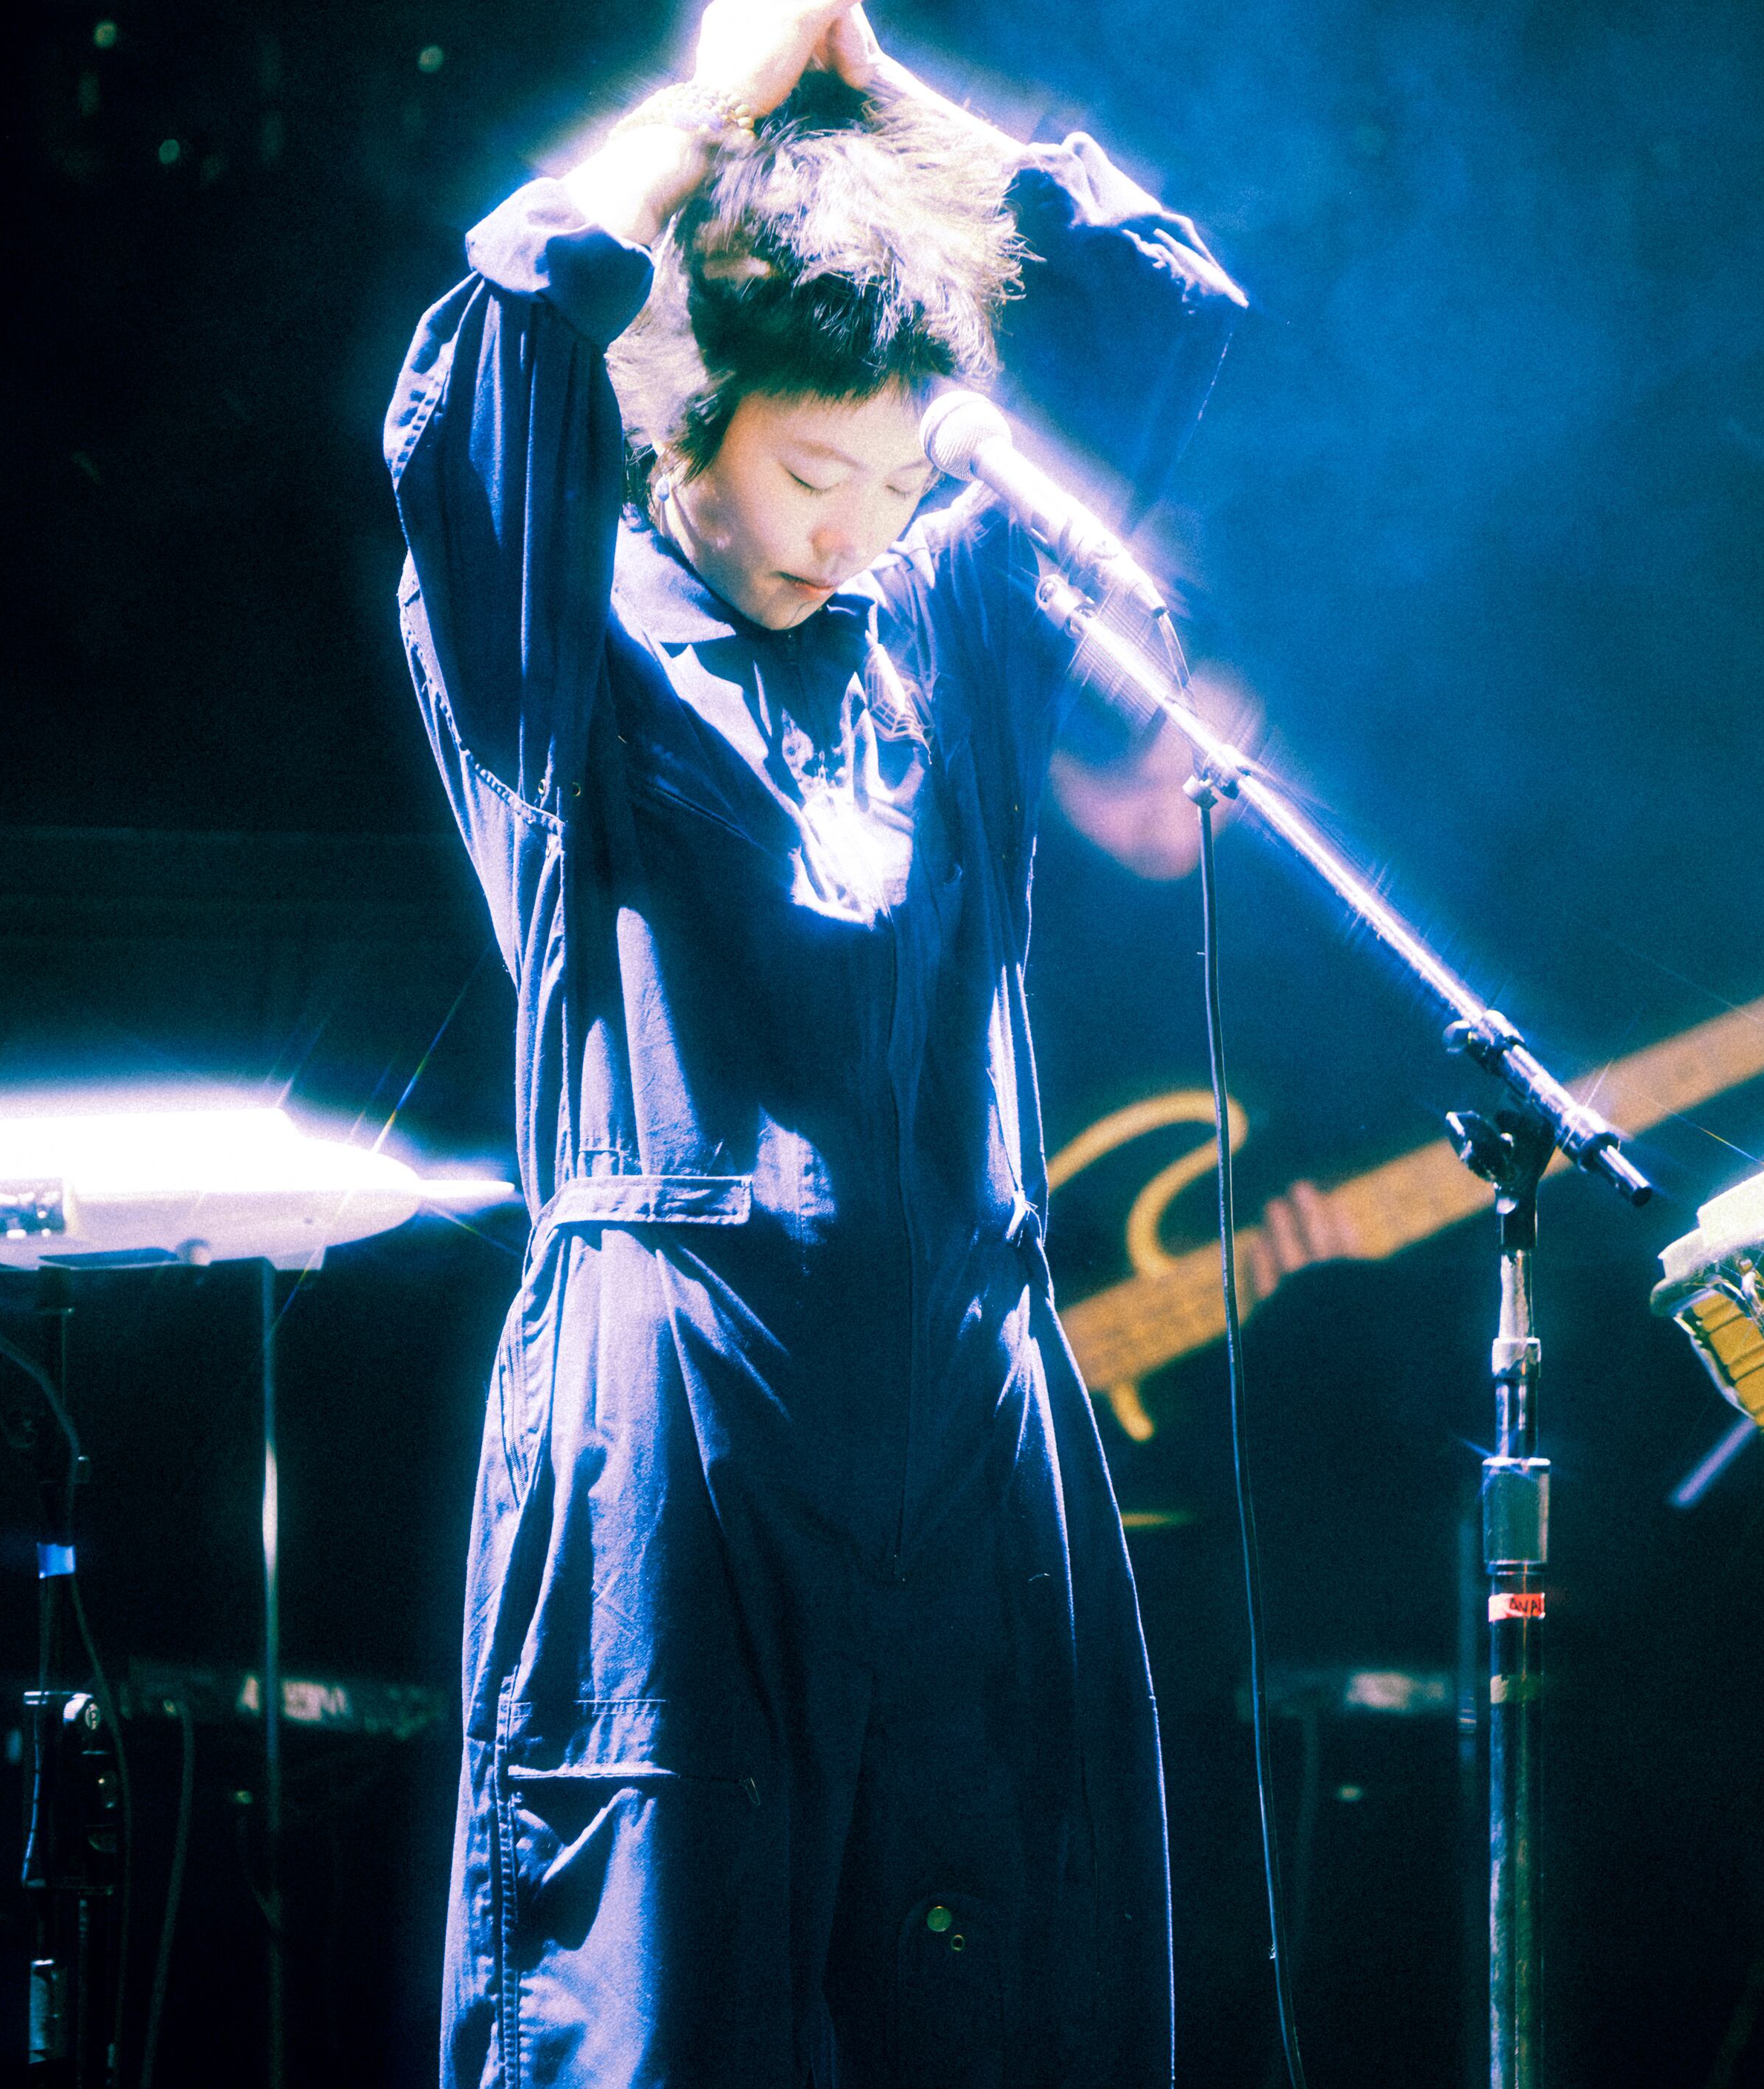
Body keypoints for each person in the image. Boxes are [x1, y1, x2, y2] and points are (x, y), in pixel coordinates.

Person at [385, 2, 1244, 2080]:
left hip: (963, 1378)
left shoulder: (933, 611)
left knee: (1005, 1993)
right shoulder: (563, 647)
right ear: (687, 424)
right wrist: (721, 106)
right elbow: (505, 328)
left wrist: (879, 85)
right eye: (803, 467)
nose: (849, 522)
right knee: (654, 2007)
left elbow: (1163, 304)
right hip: (684, 1387)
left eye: (891, 470)